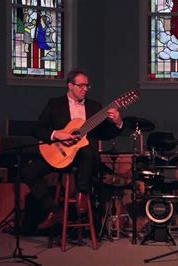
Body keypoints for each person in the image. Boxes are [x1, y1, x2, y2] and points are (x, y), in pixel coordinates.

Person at [24, 67, 123, 230]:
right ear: (70, 85)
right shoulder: (55, 104)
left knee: (86, 149)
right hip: (59, 154)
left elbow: (106, 134)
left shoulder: (94, 107)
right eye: (81, 86)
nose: (85, 89)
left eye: (87, 86)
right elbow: (36, 129)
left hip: (85, 160)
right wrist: (57, 134)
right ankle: (53, 209)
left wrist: (118, 122)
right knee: (28, 172)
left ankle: (82, 194)